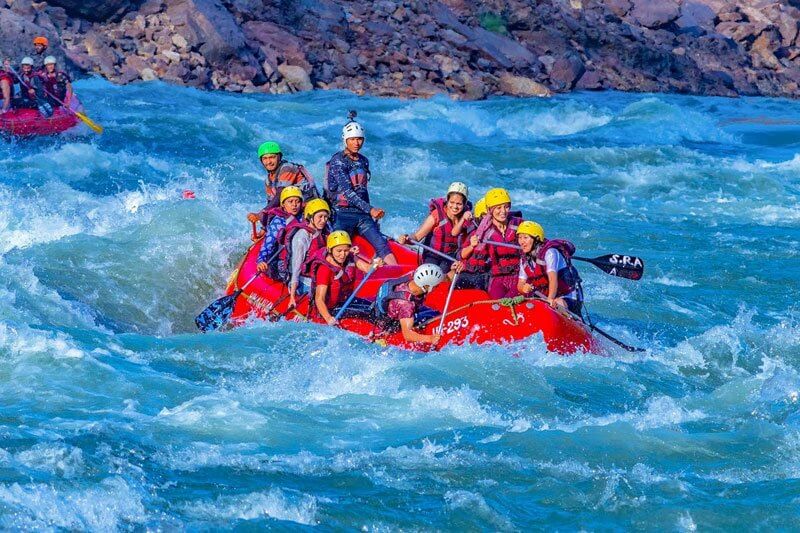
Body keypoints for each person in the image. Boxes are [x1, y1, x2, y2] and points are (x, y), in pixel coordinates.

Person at [324, 116, 398, 265]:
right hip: (341, 213)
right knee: (340, 246)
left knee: (382, 244)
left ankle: (397, 274)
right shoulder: (338, 161)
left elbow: (363, 190)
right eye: (352, 139)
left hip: (361, 213)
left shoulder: (363, 160)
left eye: (359, 139)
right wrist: (370, 210)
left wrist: (371, 216)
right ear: (345, 140)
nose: (356, 143)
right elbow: (348, 193)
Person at [307, 230, 380, 325]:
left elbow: (367, 268)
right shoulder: (324, 269)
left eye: (346, 250)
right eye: (339, 251)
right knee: (369, 314)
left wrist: (376, 264)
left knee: (374, 307)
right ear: (330, 250)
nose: (342, 255)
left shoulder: (349, 257)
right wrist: (329, 318)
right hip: (331, 310)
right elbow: (319, 299)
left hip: (345, 302)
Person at [397, 181, 472, 273]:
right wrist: (406, 239)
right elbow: (417, 237)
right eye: (451, 202)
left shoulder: (467, 218)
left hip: (451, 257)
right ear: (447, 201)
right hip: (432, 255)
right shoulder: (436, 215)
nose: (455, 207)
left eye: (459, 204)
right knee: (432, 274)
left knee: (446, 274)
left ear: (465, 204)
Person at [461, 188, 522, 299]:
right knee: (497, 302)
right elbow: (469, 258)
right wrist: (464, 262)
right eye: (498, 208)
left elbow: (536, 247)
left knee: (511, 300)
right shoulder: (484, 232)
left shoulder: (519, 225)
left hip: (520, 277)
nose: (503, 211)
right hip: (498, 278)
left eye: (506, 207)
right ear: (490, 210)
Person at [274, 198, 331, 309]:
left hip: (316, 277)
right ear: (310, 218)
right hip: (301, 281)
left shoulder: (323, 232)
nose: (323, 220)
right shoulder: (302, 237)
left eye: (325, 217)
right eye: (320, 217)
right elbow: (296, 267)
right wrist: (292, 297)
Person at [516, 221, 583, 315]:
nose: (522, 242)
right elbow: (520, 284)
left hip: (568, 297)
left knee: (556, 304)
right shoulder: (524, 258)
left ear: (537, 239)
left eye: (525, 237)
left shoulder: (550, 252)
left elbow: (553, 279)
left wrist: (550, 299)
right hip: (547, 298)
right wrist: (523, 288)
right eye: (519, 238)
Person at [247, 141, 318, 229]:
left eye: (272, 157)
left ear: (279, 157)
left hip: (311, 209)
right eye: (265, 158)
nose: (268, 162)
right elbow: (271, 204)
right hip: (294, 211)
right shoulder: (268, 181)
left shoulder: (287, 168)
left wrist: (260, 214)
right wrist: (264, 228)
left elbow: (280, 194)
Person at [374, 263, 448, 346]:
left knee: (432, 312)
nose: (437, 287)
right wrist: (430, 339)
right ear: (428, 286)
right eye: (436, 286)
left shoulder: (414, 276)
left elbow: (443, 278)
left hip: (385, 307)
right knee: (433, 314)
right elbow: (407, 335)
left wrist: (455, 270)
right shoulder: (407, 305)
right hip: (390, 326)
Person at [256, 186, 303, 273]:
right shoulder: (278, 222)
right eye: (290, 202)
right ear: (283, 204)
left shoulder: (304, 217)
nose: (294, 205)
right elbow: (268, 243)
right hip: (281, 262)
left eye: (298, 201)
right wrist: (261, 260)